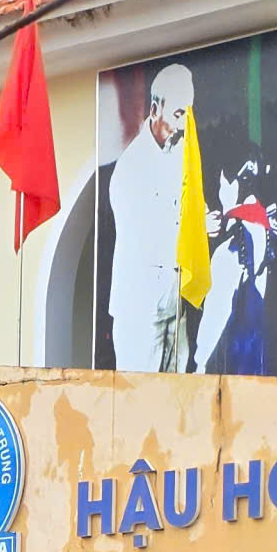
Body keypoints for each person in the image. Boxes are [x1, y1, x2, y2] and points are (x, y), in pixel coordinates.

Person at [103, 63, 197, 372]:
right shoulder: (131, 167)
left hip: (174, 307)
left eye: (188, 114)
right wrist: (192, 230)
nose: (183, 124)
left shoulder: (180, 153)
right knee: (140, 396)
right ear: (155, 109)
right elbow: (142, 241)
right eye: (178, 114)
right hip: (141, 310)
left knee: (179, 394)